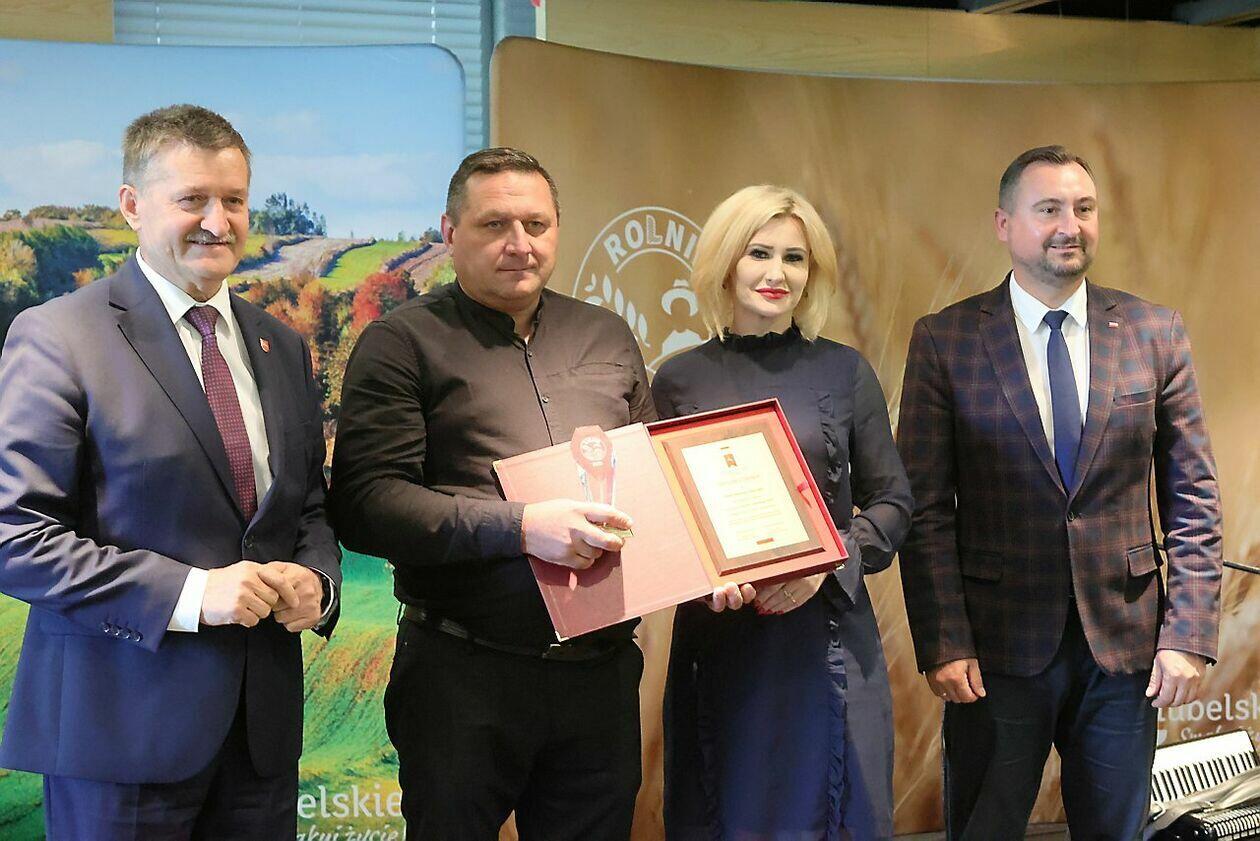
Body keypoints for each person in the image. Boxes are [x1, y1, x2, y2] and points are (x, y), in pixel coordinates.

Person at [0, 104, 341, 840]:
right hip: (118, 740)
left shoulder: (281, 345)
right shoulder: (59, 336)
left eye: (234, 200)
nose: (218, 222)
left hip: (260, 743)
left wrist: (319, 580)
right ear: (132, 205)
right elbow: (15, 537)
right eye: (193, 199)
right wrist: (192, 594)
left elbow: (306, 505)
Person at [897, 145, 1223, 840]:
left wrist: (1189, 633)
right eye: (1048, 209)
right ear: (1003, 224)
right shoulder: (946, 341)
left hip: (1125, 652)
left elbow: (1193, 493)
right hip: (994, 652)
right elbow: (924, 510)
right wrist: (943, 640)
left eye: (1083, 208)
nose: (1068, 226)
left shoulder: (1153, 332)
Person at [330, 147, 655, 841]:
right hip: (462, 676)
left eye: (536, 224)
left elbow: (652, 483)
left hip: (599, 679)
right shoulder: (400, 343)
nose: (520, 243)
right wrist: (522, 526)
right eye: (494, 225)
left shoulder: (607, 335)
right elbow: (366, 504)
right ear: (450, 233)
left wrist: (712, 563)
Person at [651, 185, 913, 840]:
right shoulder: (677, 379)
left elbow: (894, 502)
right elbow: (663, 523)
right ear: (724, 263)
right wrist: (702, 578)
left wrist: (825, 564)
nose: (777, 273)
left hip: (827, 642)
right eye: (759, 253)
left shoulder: (845, 371)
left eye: (794, 258)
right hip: (723, 641)